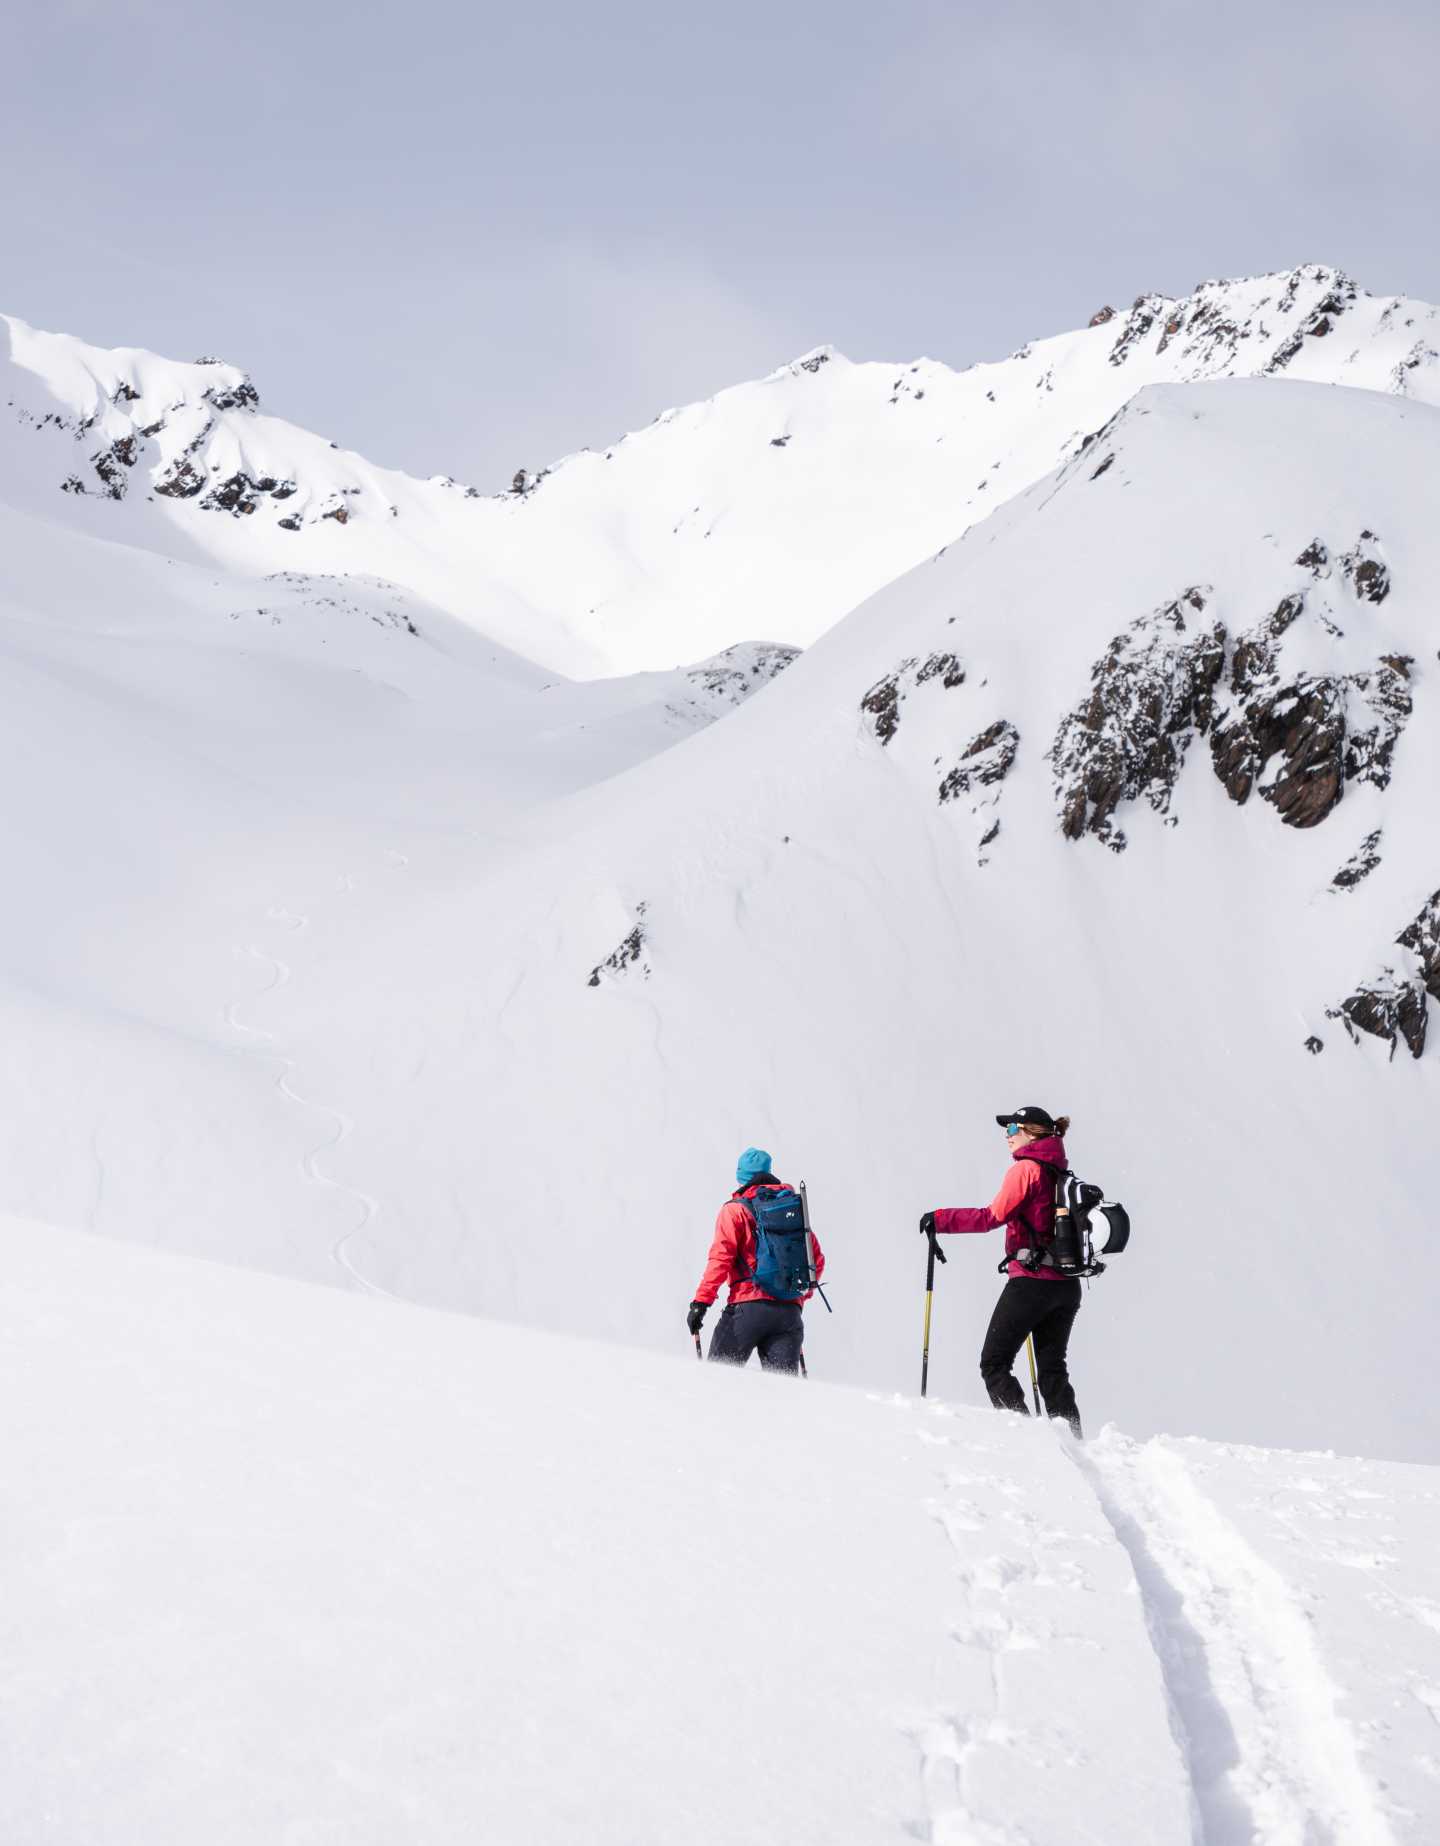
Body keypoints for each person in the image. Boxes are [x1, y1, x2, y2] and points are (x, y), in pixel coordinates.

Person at [920, 1106, 1083, 1436]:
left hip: (1031, 1283)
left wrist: (939, 1218)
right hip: (1066, 1285)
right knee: (1053, 1370)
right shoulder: (1060, 1173)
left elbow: (991, 1217)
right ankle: (1076, 1442)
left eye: (1011, 1130)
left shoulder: (1026, 1169)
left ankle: (1024, 1437)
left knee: (994, 1363)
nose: (1006, 1137)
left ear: (1030, 1132)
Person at [687, 1147, 825, 1374]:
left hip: (747, 1311)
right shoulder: (792, 1209)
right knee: (782, 1395)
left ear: (741, 1176)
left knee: (717, 1380)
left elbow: (721, 1259)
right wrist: (797, 1295)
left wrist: (700, 1303)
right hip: (789, 1315)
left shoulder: (734, 1211)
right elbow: (816, 1259)